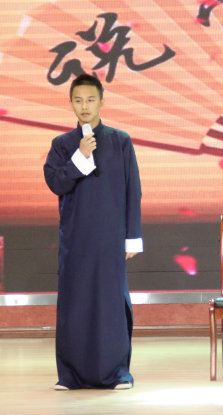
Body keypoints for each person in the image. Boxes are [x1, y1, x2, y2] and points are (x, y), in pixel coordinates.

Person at [43, 73, 143, 390]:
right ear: (70, 103)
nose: (84, 106)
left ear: (102, 101)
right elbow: (56, 183)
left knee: (111, 305)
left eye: (90, 99)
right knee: (75, 305)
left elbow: (133, 190)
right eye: (78, 100)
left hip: (111, 238)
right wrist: (80, 156)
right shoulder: (62, 145)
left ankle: (117, 373)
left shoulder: (120, 141)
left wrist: (132, 237)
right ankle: (71, 375)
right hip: (76, 239)